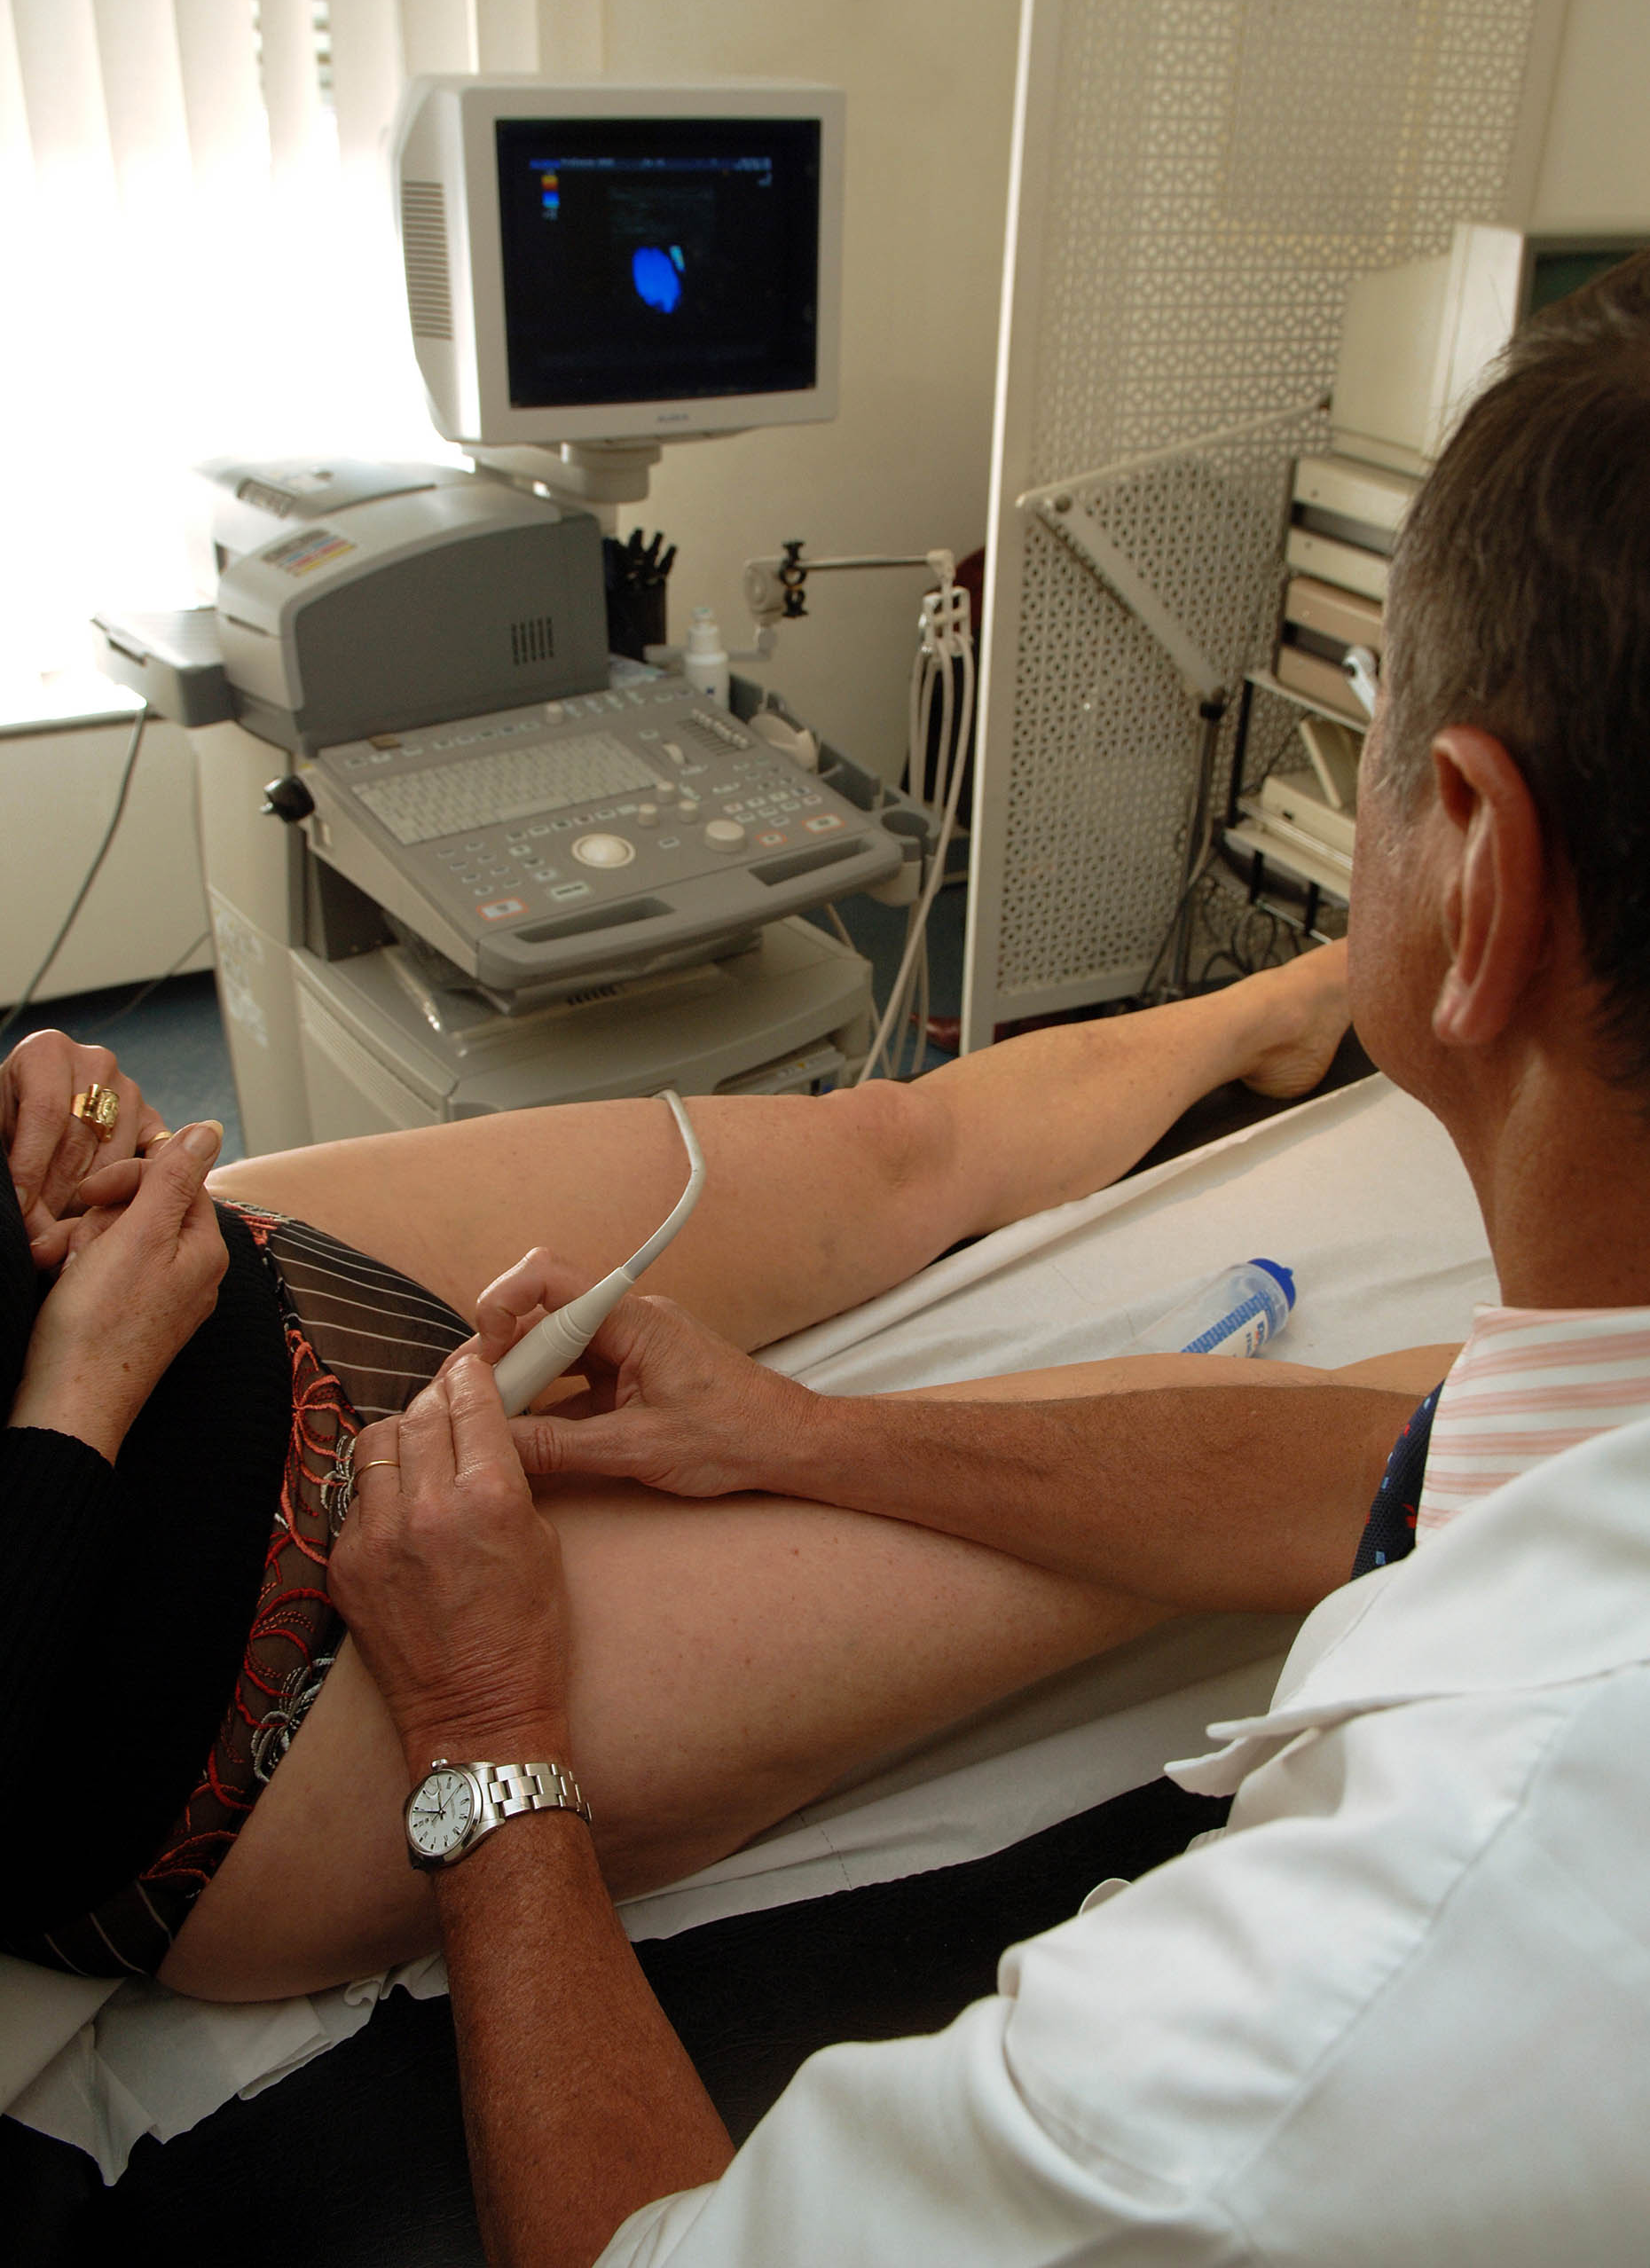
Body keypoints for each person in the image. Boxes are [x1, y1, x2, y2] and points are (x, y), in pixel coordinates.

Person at [329, 247, 1650, 2266]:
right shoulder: (1577, 1441)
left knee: (899, 1144)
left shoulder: (1316, 2035)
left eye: (1375, 704)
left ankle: (1256, 1014)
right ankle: (1260, 1011)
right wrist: (802, 1432)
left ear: (1477, 864)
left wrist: (491, 1734)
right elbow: (1408, 1478)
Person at [1, 933, 1432, 1997]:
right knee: (1110, 1472)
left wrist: (41, 1100)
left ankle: (1287, 1005)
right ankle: (1544, 1428)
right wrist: (81, 1394)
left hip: (206, 1289)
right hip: (209, 1712)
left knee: (892, 1141)